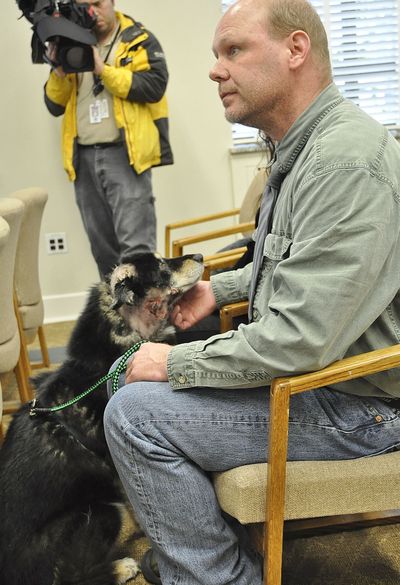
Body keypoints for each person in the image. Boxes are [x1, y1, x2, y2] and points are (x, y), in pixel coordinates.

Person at [104, 0, 400, 583]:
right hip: (332, 377)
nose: (215, 70)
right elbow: (303, 267)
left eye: (233, 50)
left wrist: (176, 360)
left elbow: (298, 340)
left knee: (135, 415)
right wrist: (223, 288)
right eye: (217, 54)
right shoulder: (306, 147)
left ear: (295, 50)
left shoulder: (343, 161)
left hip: (362, 406)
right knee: (140, 394)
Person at [44, 0, 173, 279]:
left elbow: (154, 86)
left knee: (136, 252)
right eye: (85, 5)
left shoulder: (137, 39)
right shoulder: (70, 43)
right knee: (103, 252)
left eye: (98, 3)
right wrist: (58, 70)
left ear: (112, 2)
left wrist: (103, 70)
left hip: (126, 154)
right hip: (83, 158)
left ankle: (145, 321)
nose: (92, 11)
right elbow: (54, 105)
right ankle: (117, 320)